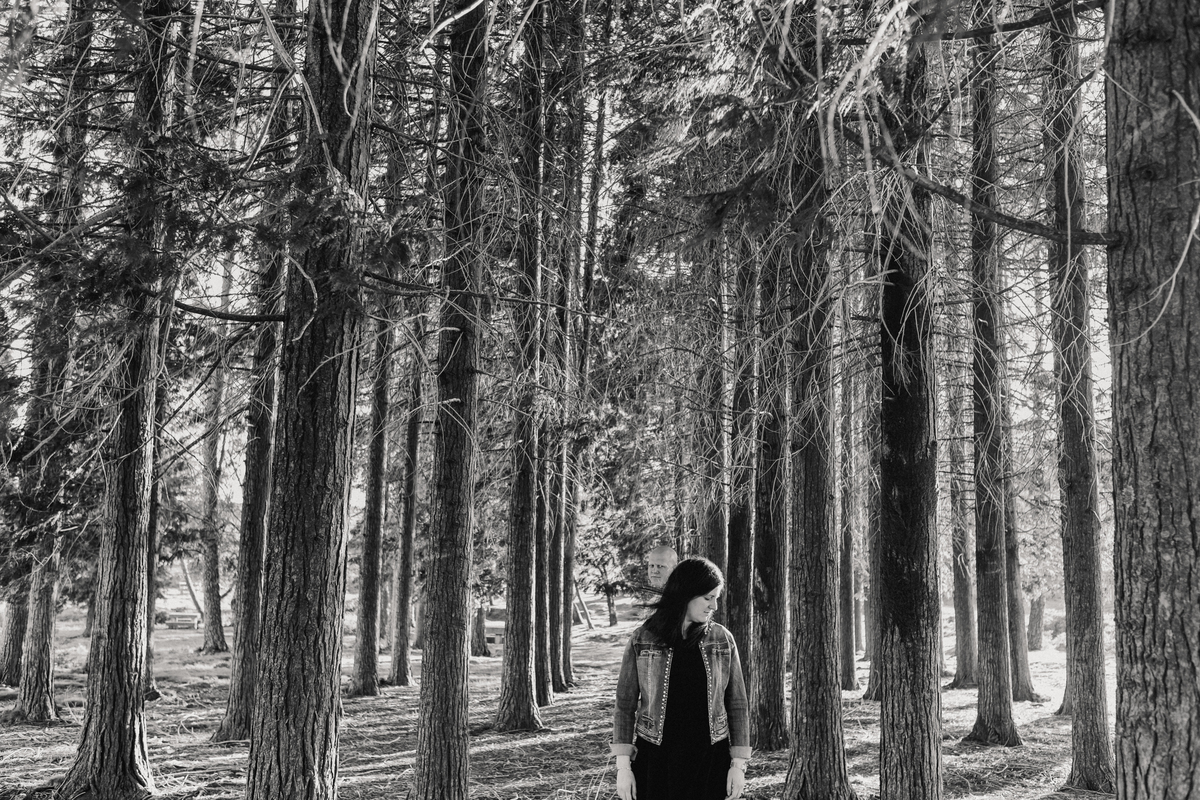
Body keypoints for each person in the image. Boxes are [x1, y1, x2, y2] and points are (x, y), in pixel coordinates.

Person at [611, 557, 750, 800]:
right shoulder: (643, 639)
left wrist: (738, 766)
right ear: (686, 594)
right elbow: (624, 705)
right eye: (708, 597)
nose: (714, 606)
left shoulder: (721, 640)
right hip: (656, 760)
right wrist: (623, 768)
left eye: (716, 597)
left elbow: (737, 704)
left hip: (710, 760)